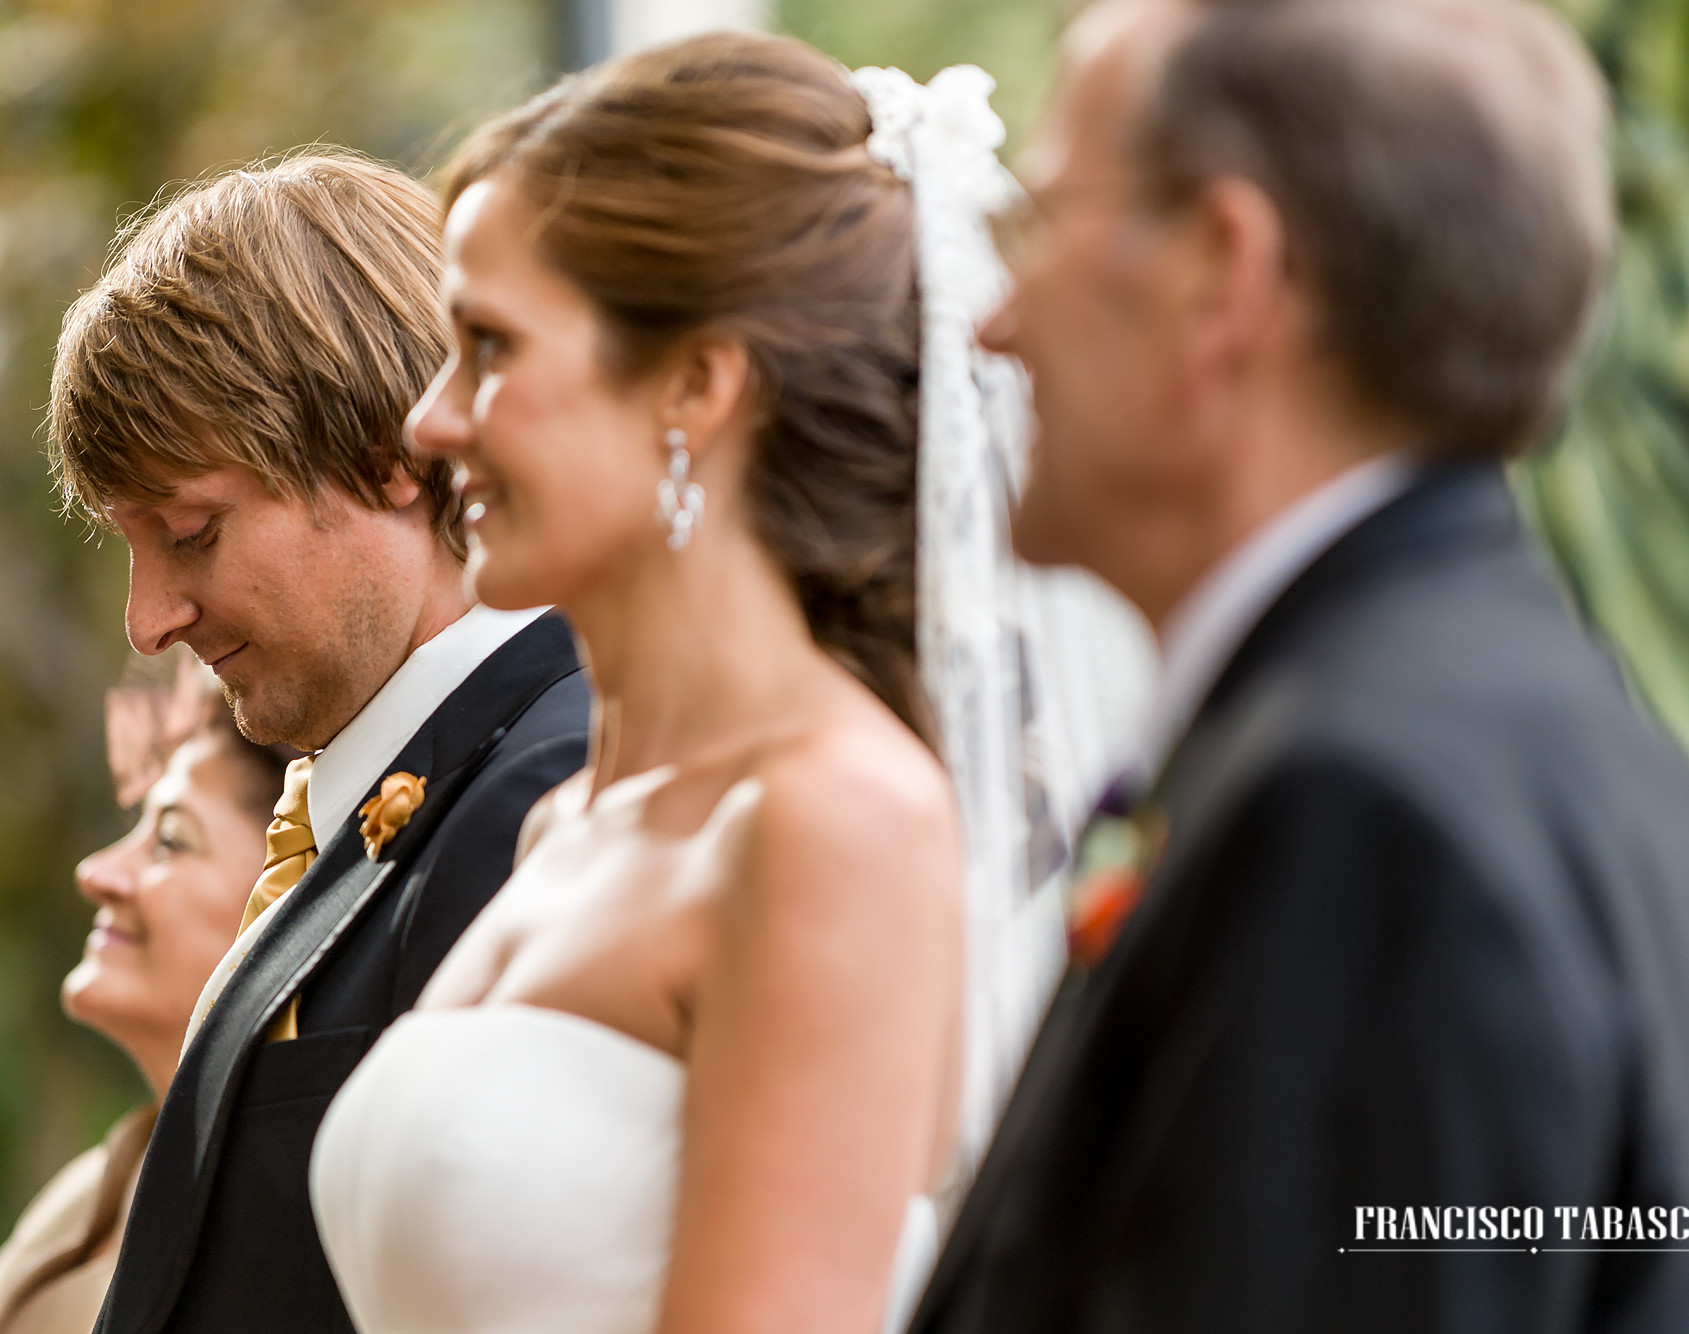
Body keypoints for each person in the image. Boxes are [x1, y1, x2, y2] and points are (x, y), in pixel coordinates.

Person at [904, 1, 1689, 1332]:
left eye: (1036, 221)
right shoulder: (1558, 737)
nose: (990, 325)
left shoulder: (1366, 813)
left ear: (1222, 273)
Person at [305, 32, 1140, 1334]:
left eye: (490, 346)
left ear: (695, 384)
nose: (430, 418)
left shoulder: (832, 820)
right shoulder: (566, 822)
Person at [45, 152, 592, 1334]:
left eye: (191, 530)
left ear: (388, 454)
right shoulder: (398, 794)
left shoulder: (541, 797)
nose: (147, 620)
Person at [0, 657, 285, 1334]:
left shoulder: (305, 1223)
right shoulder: (84, 1205)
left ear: (284, 897)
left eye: (170, 840)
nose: (96, 873)